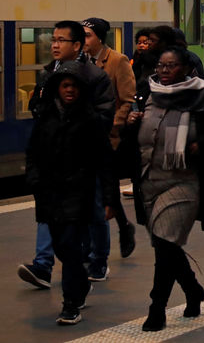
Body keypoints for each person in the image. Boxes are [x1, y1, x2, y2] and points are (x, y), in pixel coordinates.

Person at [126, 47, 204, 332]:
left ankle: (156, 308)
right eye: (161, 66)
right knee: (167, 245)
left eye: (171, 66)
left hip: (184, 181)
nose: (163, 71)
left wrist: (201, 144)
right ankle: (193, 289)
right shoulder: (148, 94)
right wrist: (131, 124)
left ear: (186, 68)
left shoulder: (202, 95)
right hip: (150, 180)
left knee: (164, 245)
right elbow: (137, 141)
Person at [18, 21, 114, 290]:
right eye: (53, 40)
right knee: (49, 211)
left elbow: (104, 116)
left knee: (94, 211)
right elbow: (40, 108)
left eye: (61, 40)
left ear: (77, 45)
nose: (55, 45)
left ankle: (97, 260)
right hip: (54, 158)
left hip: (85, 159)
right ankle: (44, 264)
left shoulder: (95, 76)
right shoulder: (50, 74)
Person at [26, 65, 115, 325]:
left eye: (74, 86)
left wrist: (110, 199)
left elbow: (105, 161)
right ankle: (81, 287)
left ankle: (70, 303)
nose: (70, 90)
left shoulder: (90, 120)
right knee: (63, 246)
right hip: (50, 193)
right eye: (65, 86)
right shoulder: (46, 118)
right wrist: (34, 180)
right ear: (57, 88)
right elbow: (33, 152)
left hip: (80, 192)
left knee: (71, 246)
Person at [82, 18, 138, 259]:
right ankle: (121, 227)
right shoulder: (79, 62)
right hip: (85, 135)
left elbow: (127, 99)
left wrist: (113, 125)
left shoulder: (117, 61)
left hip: (109, 136)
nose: (83, 40)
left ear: (100, 38)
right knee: (98, 188)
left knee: (106, 186)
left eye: (87, 35)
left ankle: (120, 230)